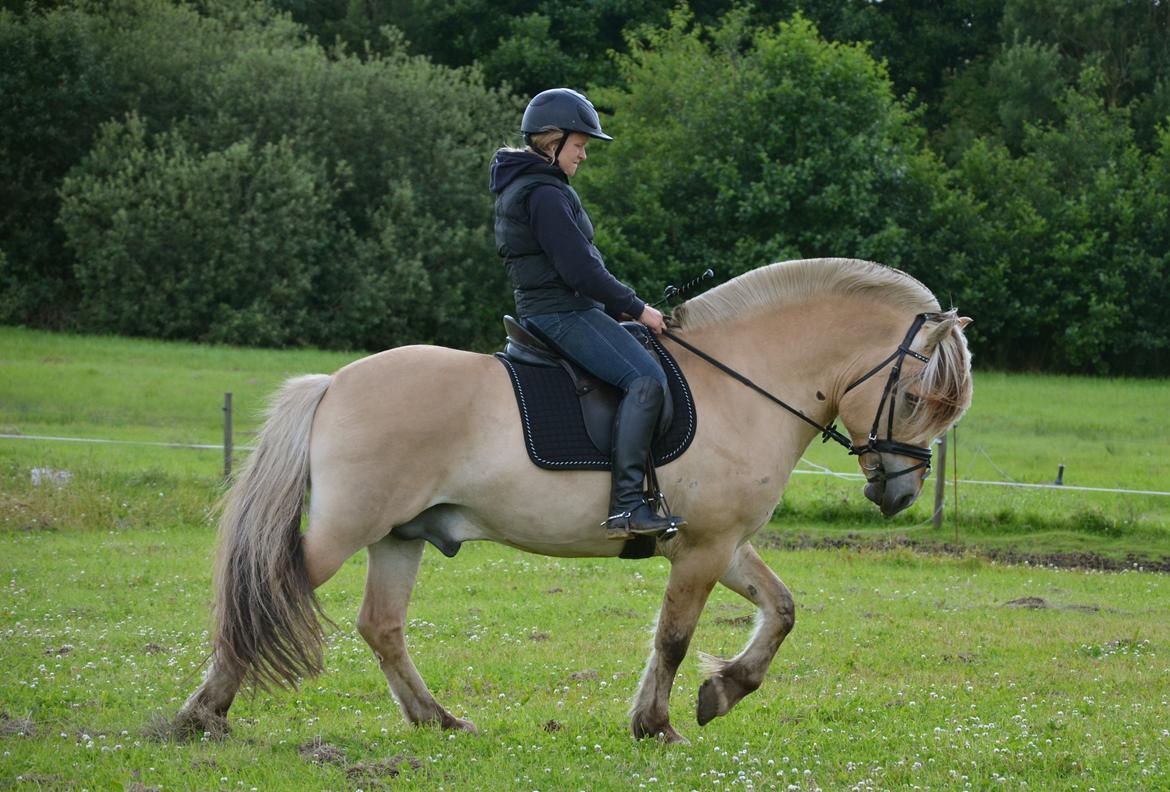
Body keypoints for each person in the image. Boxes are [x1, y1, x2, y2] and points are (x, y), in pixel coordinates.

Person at [489, 88, 685, 541]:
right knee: (646, 379)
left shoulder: (536, 186)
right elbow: (580, 270)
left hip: (558, 308)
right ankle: (628, 507)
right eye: (579, 145)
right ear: (551, 141)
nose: (583, 155)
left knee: (637, 347)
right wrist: (639, 308)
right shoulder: (543, 193)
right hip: (562, 312)